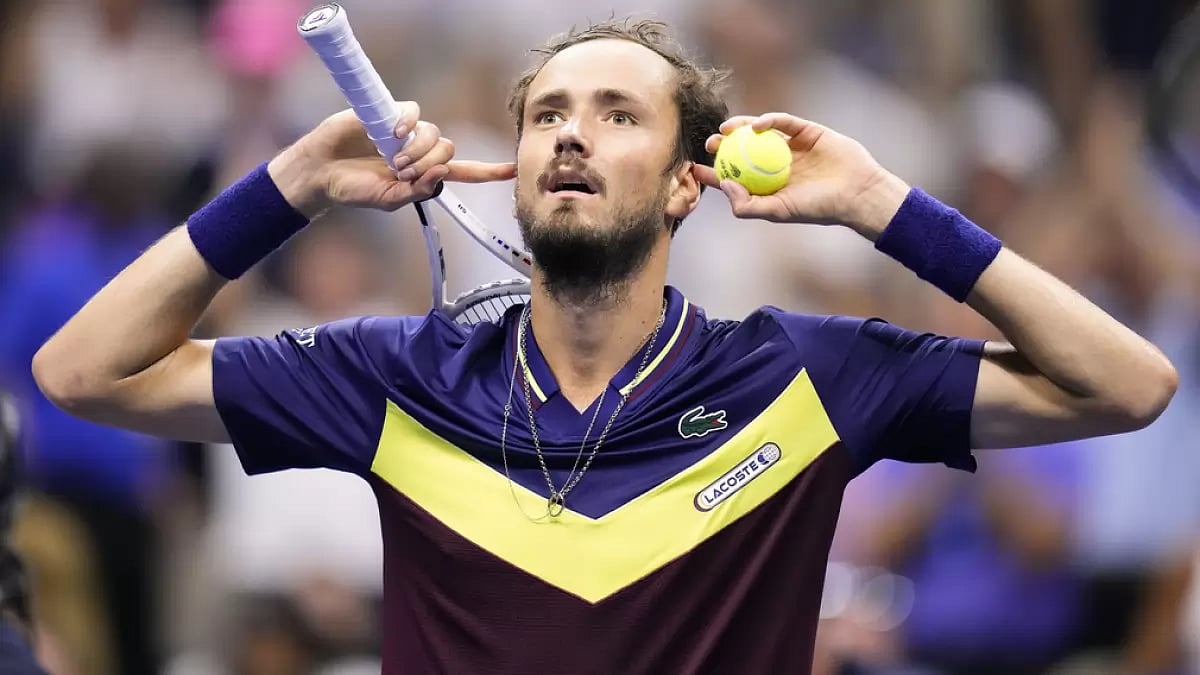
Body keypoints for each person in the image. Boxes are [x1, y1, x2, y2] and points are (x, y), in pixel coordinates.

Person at [30, 18, 1178, 675]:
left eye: (619, 113)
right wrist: (288, 187)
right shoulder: (394, 374)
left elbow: (1129, 383)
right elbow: (84, 372)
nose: (574, 132)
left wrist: (885, 204)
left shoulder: (805, 378)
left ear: (693, 183)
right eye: (547, 114)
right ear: (517, 166)